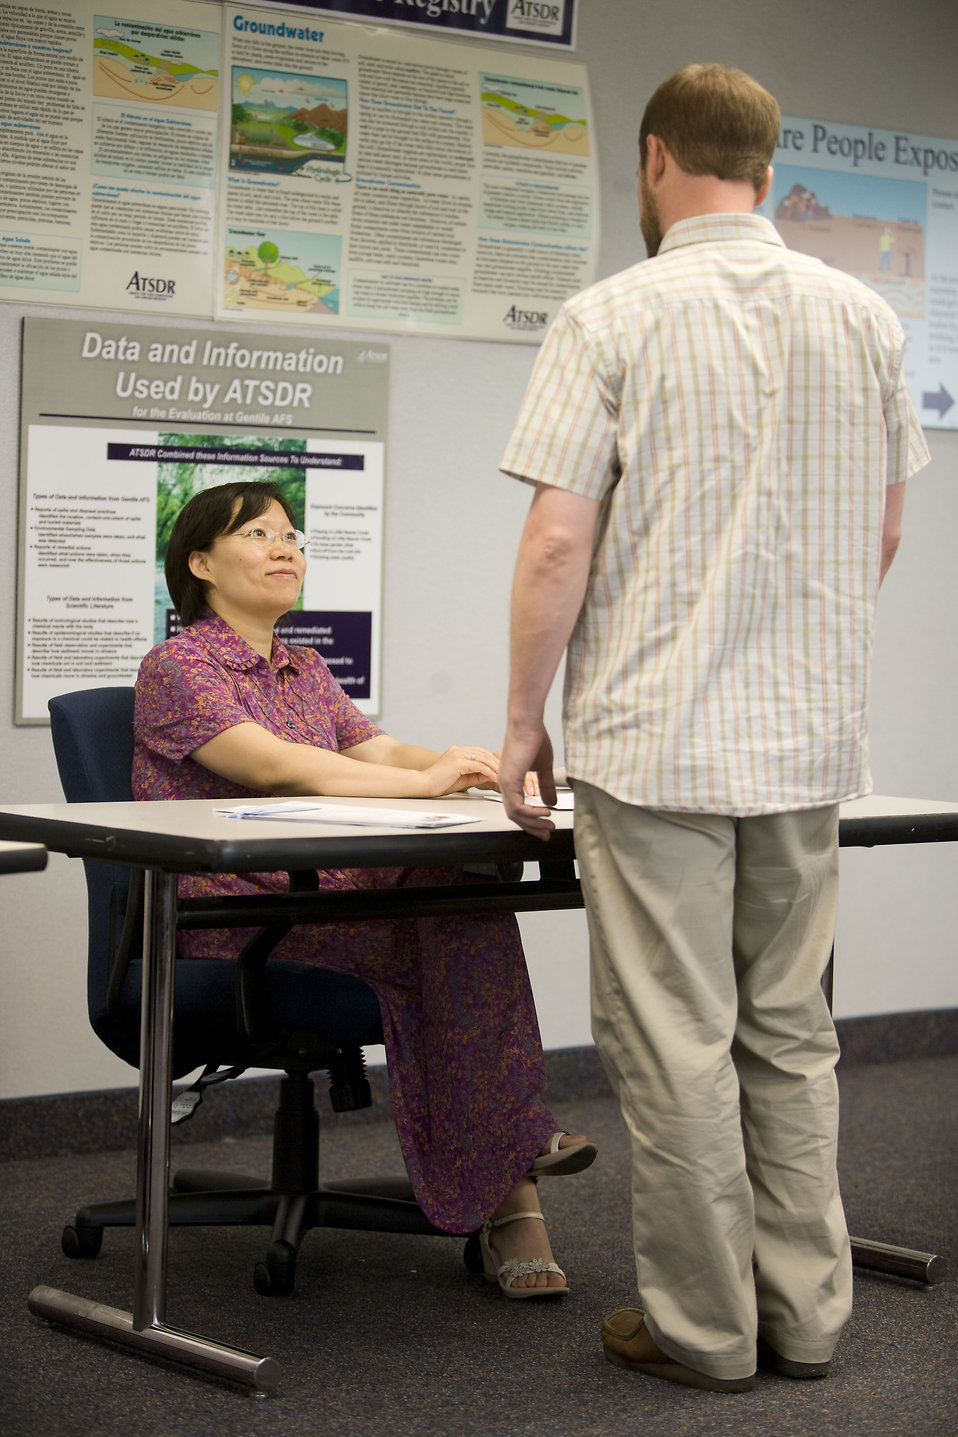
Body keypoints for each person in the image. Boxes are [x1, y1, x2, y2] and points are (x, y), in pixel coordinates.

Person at [497, 63, 930, 1385]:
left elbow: (558, 544)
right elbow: (886, 528)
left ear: (651, 159)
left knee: (674, 1040)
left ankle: (701, 1333)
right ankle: (806, 1319)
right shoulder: (861, 316)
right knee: (789, 1034)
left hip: (654, 741)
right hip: (803, 745)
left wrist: (521, 719)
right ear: (765, 161)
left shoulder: (609, 315)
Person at [133, 479, 597, 1298]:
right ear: (199, 562)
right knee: (448, 914)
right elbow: (273, 764)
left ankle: (513, 1172)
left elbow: (373, 750)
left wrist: (473, 765)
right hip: (237, 921)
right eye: (259, 535)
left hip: (321, 903)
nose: (287, 548)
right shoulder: (177, 665)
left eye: (293, 535)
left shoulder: (302, 666)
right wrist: (427, 789)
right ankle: (517, 1165)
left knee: (453, 892)